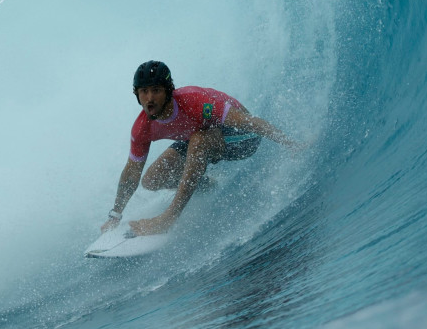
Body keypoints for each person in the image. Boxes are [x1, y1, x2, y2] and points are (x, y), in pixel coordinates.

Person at [101, 60, 303, 236]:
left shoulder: (195, 103)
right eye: (144, 92)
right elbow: (131, 174)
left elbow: (249, 123)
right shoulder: (142, 128)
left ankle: (169, 218)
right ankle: (207, 185)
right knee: (152, 179)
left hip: (243, 138)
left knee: (198, 140)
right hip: (201, 137)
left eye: (156, 90)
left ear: (168, 90)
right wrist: (115, 215)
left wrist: (291, 144)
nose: (149, 98)